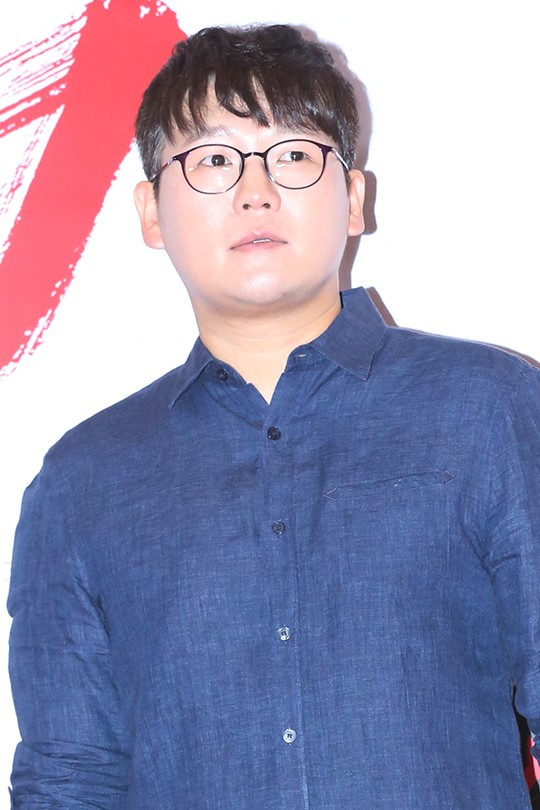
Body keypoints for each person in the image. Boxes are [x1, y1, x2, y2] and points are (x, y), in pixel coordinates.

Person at [7, 22, 540, 809]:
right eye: (213, 160)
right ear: (150, 213)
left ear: (353, 200)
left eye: (292, 155)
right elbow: (69, 780)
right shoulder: (81, 482)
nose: (255, 190)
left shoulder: (489, 408)